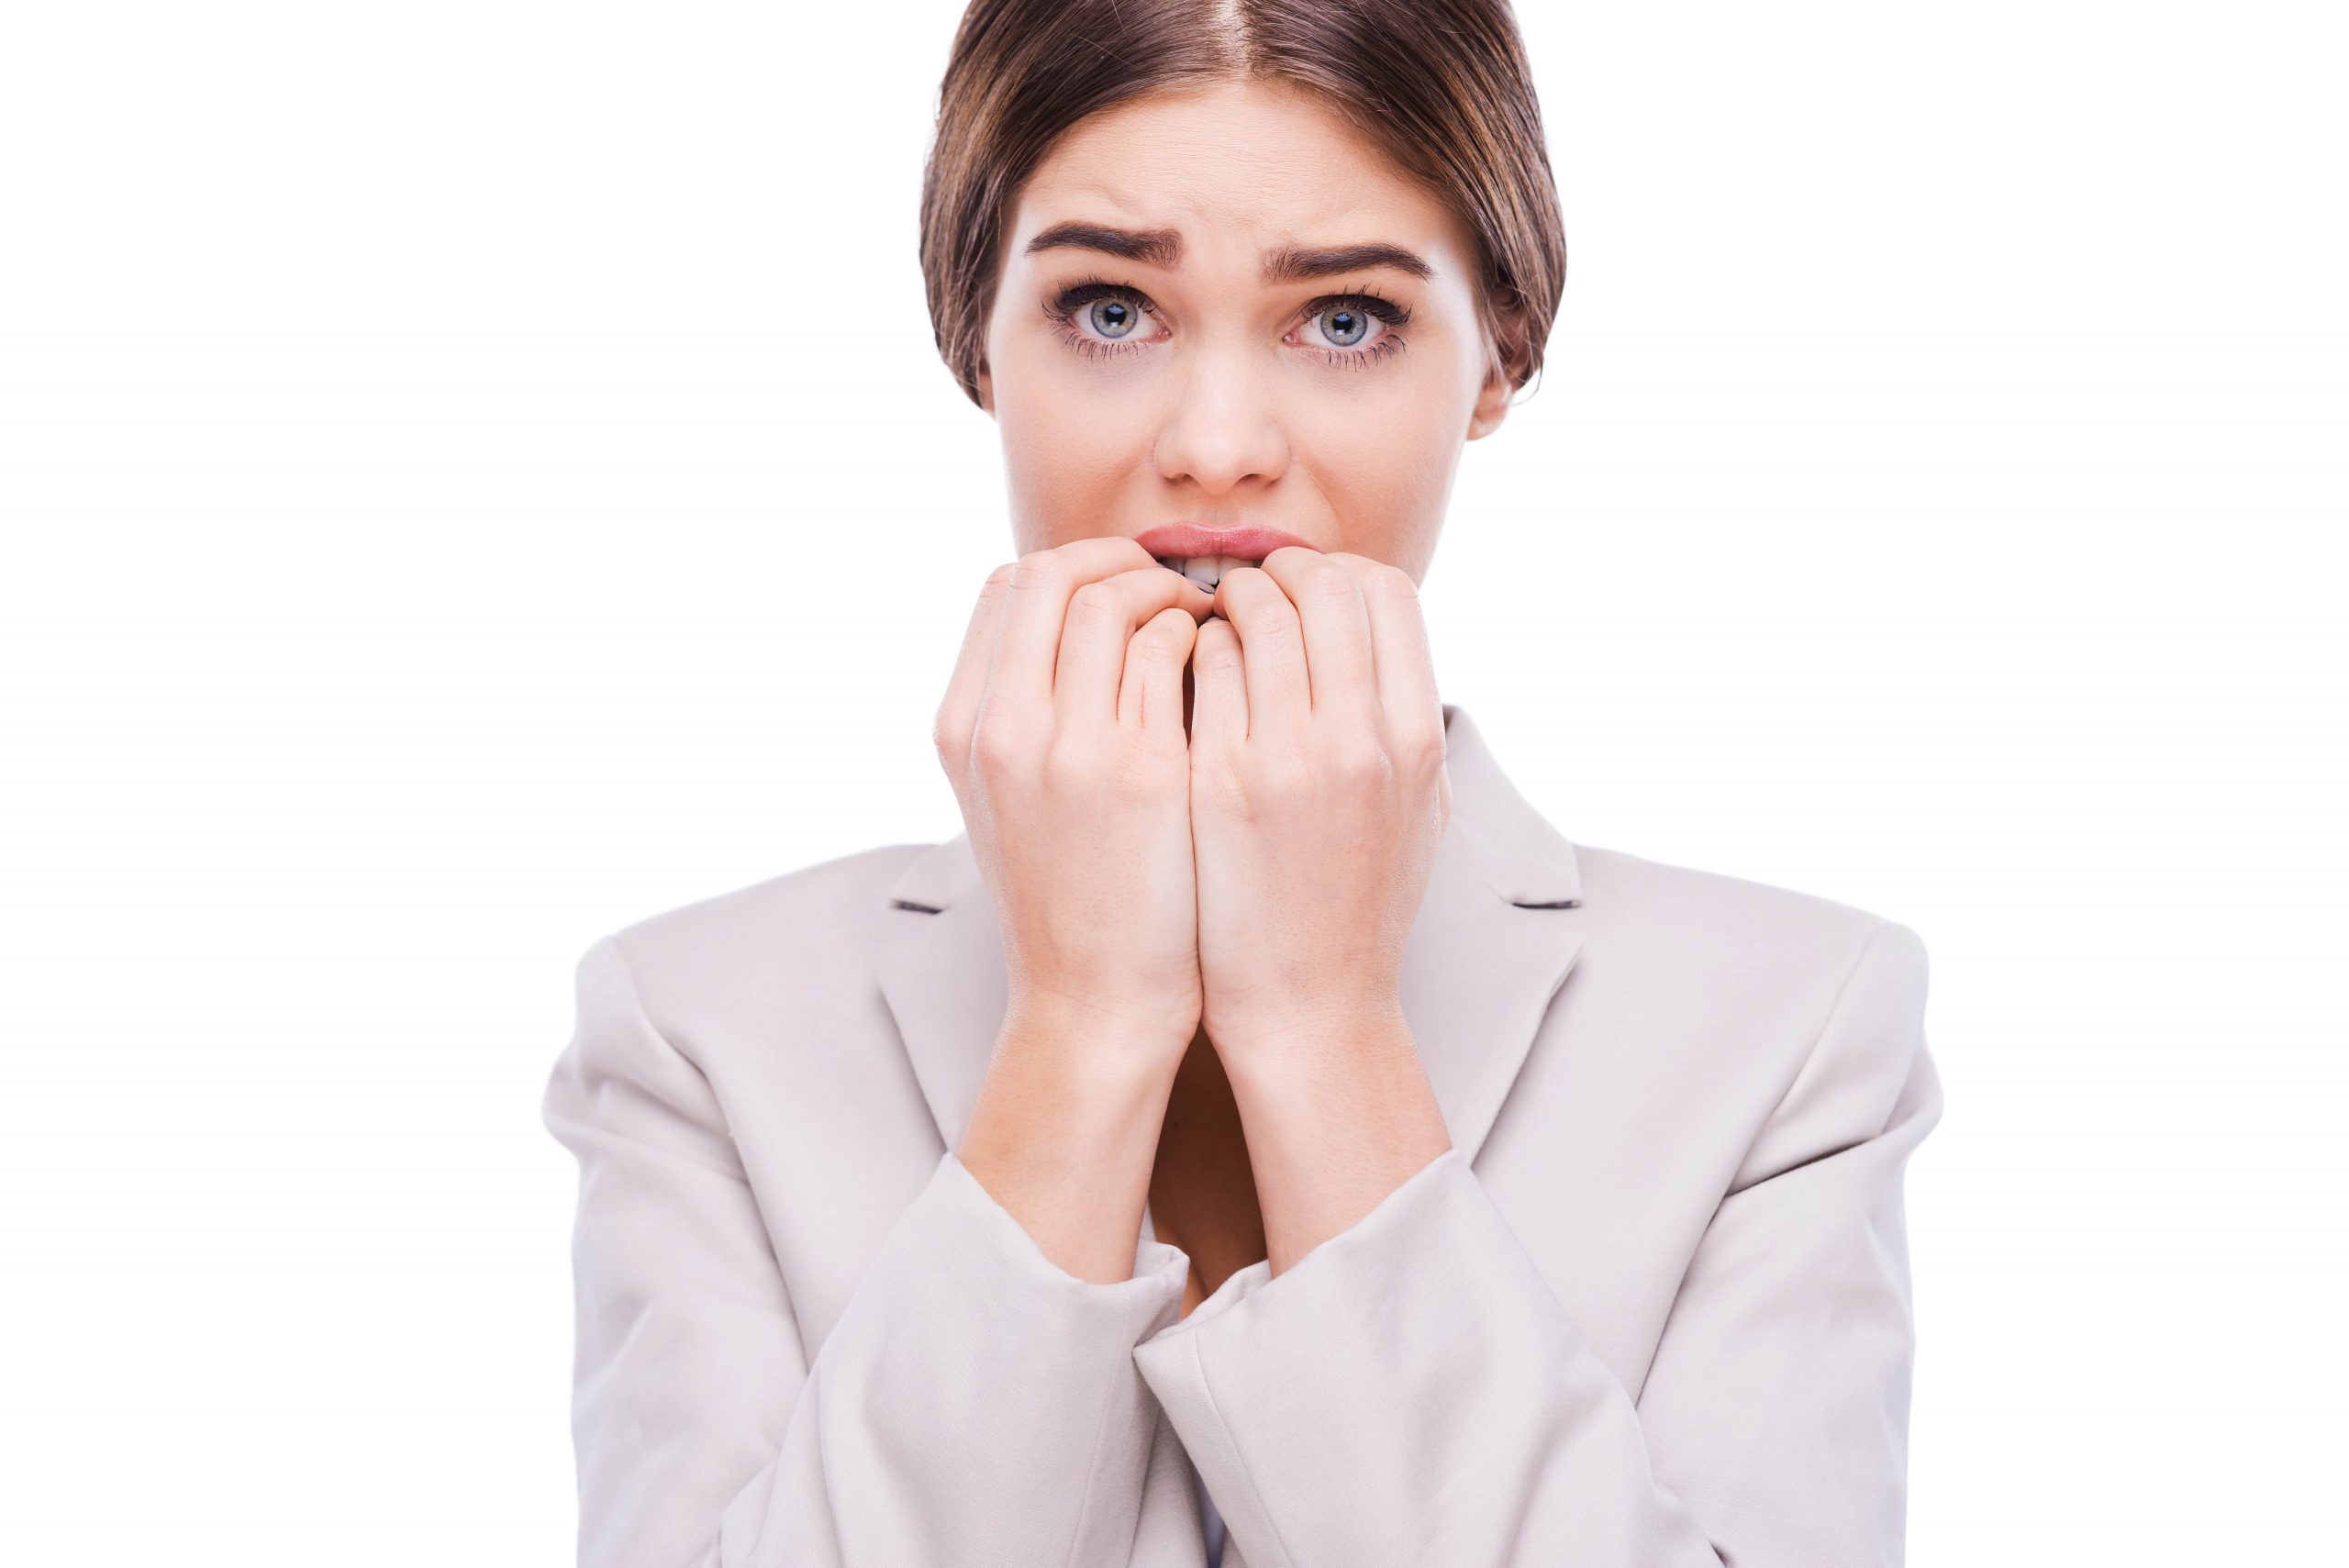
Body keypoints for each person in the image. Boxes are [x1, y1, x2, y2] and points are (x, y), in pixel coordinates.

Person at [540, 3, 1945, 1565]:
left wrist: (1323, 1028)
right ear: (973, 343)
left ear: (1504, 350)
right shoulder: (694, 1037)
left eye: (1344, 318)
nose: (1216, 449)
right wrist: (1077, 1029)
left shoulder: (1796, 1034)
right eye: (1109, 309)